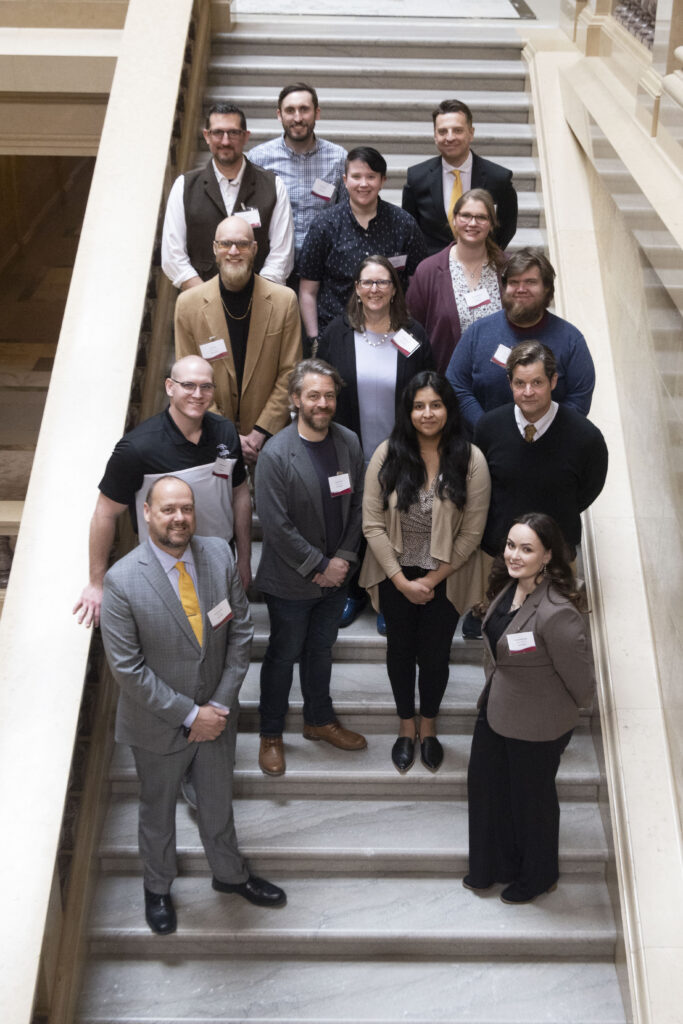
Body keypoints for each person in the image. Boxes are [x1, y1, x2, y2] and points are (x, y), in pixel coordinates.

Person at [99, 476, 286, 935]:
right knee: (157, 812)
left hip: (217, 718)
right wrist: (190, 715)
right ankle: (158, 887)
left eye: (186, 508)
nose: (179, 517)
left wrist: (218, 707)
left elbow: (240, 633)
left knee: (218, 803)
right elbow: (128, 669)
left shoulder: (218, 555)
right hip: (157, 724)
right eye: (168, 510)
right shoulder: (121, 581)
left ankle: (230, 875)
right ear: (146, 513)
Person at [360, 372, 490, 773]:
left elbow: (472, 532)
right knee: (400, 653)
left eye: (436, 405)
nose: (427, 413)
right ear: (408, 410)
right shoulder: (388, 454)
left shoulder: (470, 459)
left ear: (448, 409)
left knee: (435, 657)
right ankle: (405, 727)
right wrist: (400, 580)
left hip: (447, 576)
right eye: (419, 405)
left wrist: (431, 580)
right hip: (394, 572)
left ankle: (428, 728)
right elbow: (372, 523)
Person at [465, 513, 595, 904]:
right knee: (487, 790)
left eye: (526, 549)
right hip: (495, 709)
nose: (514, 555)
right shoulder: (507, 588)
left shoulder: (558, 612)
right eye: (510, 545)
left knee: (531, 803)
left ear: (548, 556)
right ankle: (495, 868)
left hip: (538, 724)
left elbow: (583, 685)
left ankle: (538, 876)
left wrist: (552, 710)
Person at [73, 355, 251, 630]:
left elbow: (239, 495)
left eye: (206, 387)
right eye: (188, 385)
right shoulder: (137, 448)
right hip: (165, 566)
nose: (198, 394)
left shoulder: (225, 432)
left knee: (221, 635)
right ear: (170, 387)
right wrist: (96, 583)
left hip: (219, 562)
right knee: (170, 644)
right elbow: (104, 513)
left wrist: (244, 560)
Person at [254, 359, 367, 777]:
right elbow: (275, 523)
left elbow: (359, 506)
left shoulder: (349, 442)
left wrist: (343, 560)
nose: (323, 403)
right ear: (296, 399)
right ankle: (270, 734)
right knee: (283, 655)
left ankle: (319, 720)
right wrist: (318, 564)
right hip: (290, 581)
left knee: (321, 650)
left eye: (329, 396)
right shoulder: (276, 453)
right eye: (314, 395)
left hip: (336, 578)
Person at [317, 254, 435, 628]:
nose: (374, 290)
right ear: (356, 288)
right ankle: (352, 590)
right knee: (351, 523)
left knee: (396, 523)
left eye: (383, 282)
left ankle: (387, 596)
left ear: (394, 289)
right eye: (367, 282)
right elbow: (321, 390)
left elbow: (427, 391)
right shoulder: (337, 333)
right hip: (347, 450)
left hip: (402, 451)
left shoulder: (412, 334)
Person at [174, 215, 302, 466]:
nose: (234, 251)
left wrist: (260, 432)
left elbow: (291, 371)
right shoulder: (187, 305)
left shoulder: (284, 301)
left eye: (242, 244)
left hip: (270, 441)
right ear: (215, 249)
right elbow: (187, 380)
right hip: (209, 439)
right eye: (226, 244)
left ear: (254, 250)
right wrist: (227, 434)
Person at [474, 340, 608, 565]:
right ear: (510, 383)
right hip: (497, 556)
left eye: (537, 382)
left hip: (556, 560)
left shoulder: (586, 437)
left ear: (553, 381)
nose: (528, 392)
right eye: (520, 383)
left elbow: (588, 490)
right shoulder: (488, 428)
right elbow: (479, 486)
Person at [446, 248, 595, 433]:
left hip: (551, 447)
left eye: (530, 282)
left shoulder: (571, 340)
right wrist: (487, 429)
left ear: (547, 288)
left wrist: (541, 432)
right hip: (486, 447)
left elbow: (579, 398)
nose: (521, 289)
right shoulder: (478, 333)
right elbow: (456, 385)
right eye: (514, 282)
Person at [298, 146, 427, 351]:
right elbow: (308, 290)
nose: (364, 184)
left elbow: (417, 286)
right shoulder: (324, 225)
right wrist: (315, 339)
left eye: (371, 176)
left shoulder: (404, 224)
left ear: (383, 180)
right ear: (345, 180)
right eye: (356, 176)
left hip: (391, 335)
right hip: (336, 336)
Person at [161, 103, 294, 289]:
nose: (225, 141)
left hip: (259, 303)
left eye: (233, 133)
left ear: (246, 136)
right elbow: (173, 255)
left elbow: (282, 254)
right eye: (218, 133)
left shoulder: (273, 186)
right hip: (199, 302)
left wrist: (258, 298)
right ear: (206, 136)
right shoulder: (184, 186)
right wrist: (205, 298)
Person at [406, 188, 506, 374]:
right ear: (454, 219)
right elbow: (411, 328)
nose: (473, 223)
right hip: (445, 383)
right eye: (466, 215)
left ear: (492, 224)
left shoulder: (507, 269)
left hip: (499, 381)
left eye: (481, 217)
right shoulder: (428, 271)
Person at [402, 99, 517, 255]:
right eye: (442, 131)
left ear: (471, 133)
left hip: (481, 265)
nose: (450, 138)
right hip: (433, 270)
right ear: (435, 136)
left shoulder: (498, 178)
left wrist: (487, 255)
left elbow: (507, 226)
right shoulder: (416, 178)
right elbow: (411, 229)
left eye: (457, 130)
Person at [248, 82, 347, 265]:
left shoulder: (338, 158)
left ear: (317, 113)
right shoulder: (258, 159)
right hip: (273, 260)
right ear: (279, 115)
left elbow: (347, 212)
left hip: (324, 260)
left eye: (304, 109)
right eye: (290, 110)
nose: (298, 117)